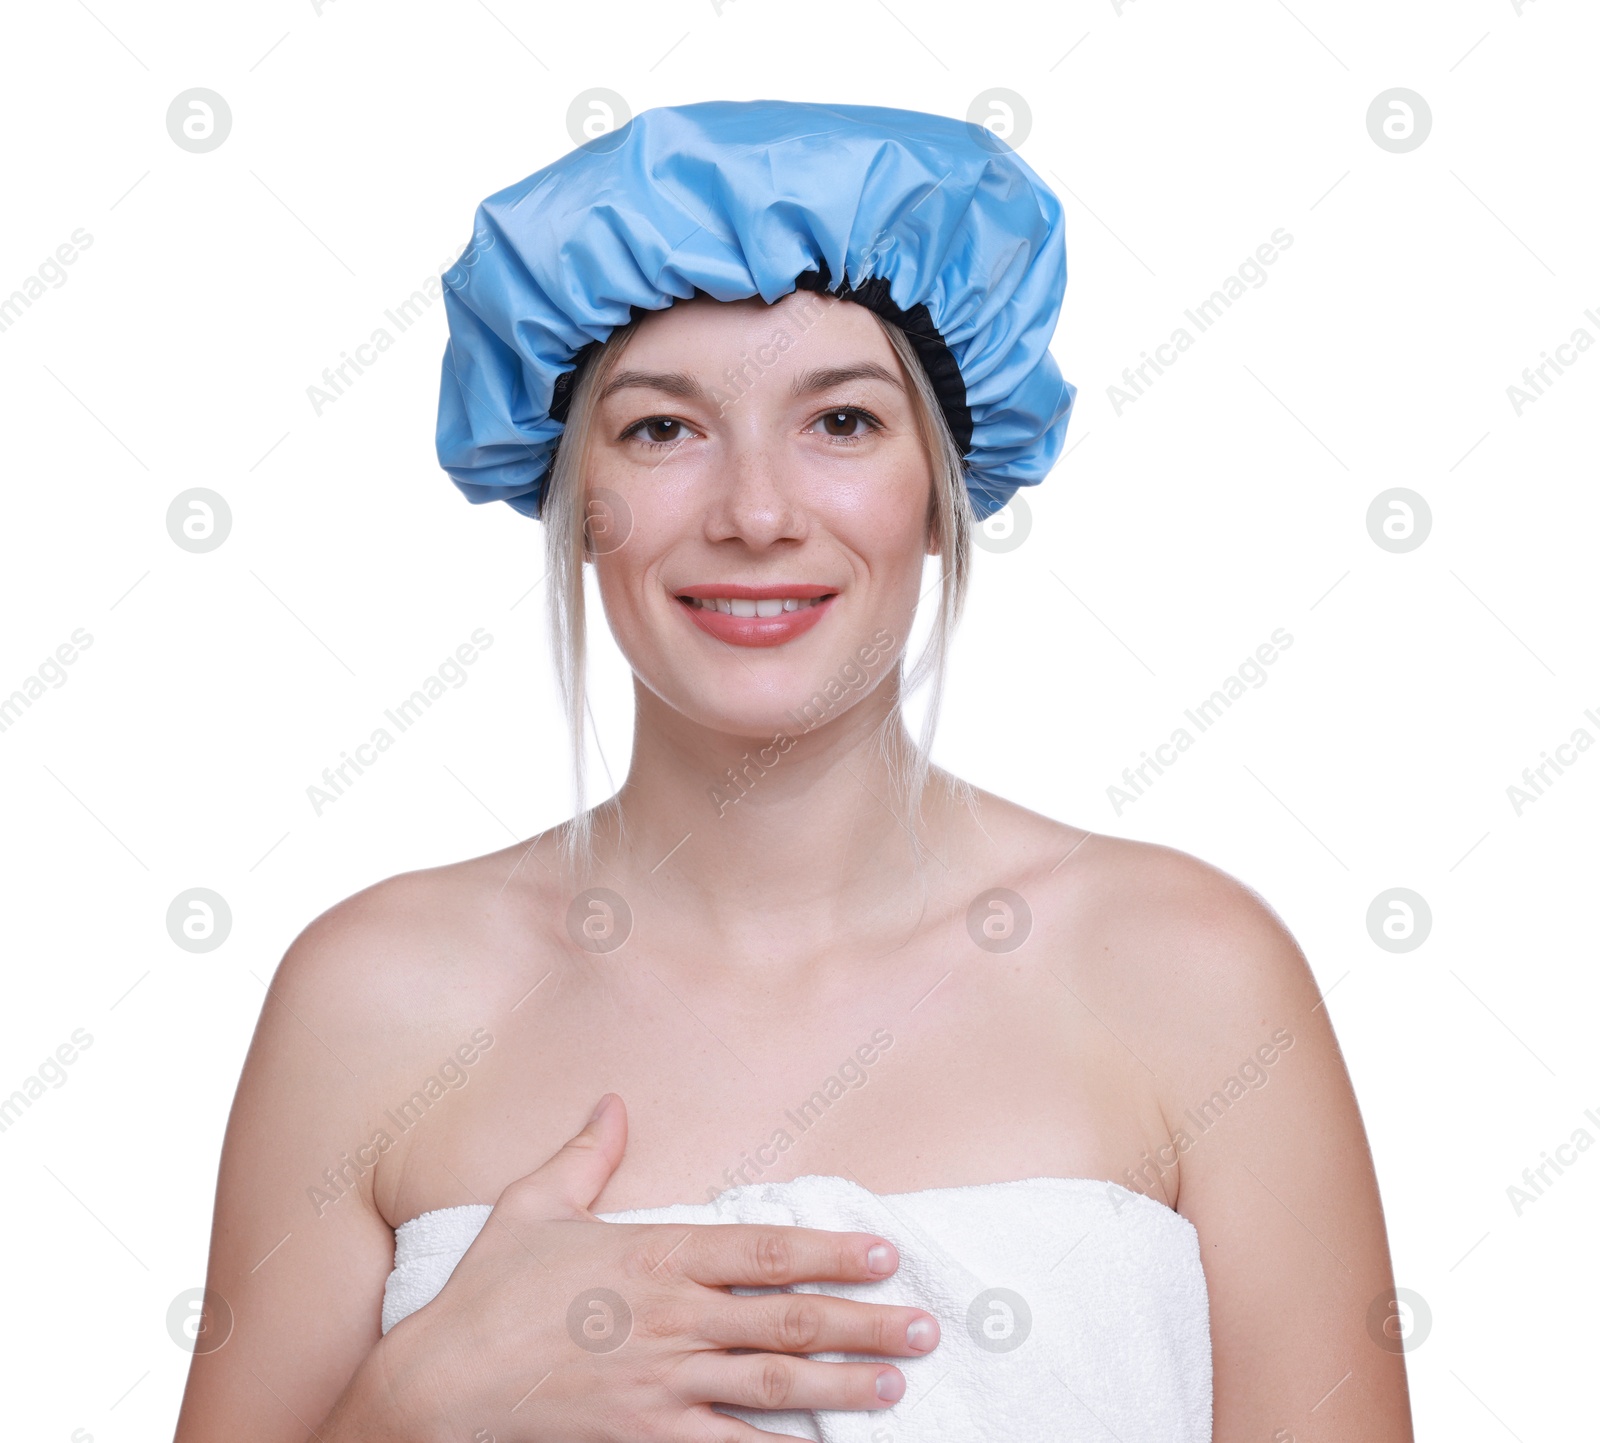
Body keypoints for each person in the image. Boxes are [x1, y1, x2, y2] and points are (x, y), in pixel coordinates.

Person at [173, 100, 1414, 1441]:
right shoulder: (375, 999)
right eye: (660, 430)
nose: (756, 513)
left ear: (943, 488)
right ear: (566, 493)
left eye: (841, 422)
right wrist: (413, 1408)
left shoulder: (1191, 974)